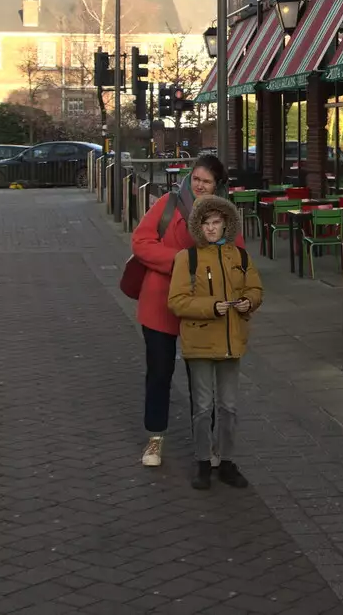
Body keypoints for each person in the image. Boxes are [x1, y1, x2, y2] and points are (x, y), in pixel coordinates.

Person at [128, 153, 243, 468]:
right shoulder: (168, 203)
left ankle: (207, 446)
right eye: (196, 179)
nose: (200, 186)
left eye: (207, 181)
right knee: (159, 373)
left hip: (203, 309)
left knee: (202, 380)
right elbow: (140, 241)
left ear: (218, 184)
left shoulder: (224, 213)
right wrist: (181, 261)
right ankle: (155, 438)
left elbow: (239, 256)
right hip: (160, 304)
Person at [168, 193, 260, 490]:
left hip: (231, 341)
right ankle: (203, 461)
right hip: (199, 343)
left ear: (226, 225)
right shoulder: (187, 258)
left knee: (229, 406)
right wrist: (211, 306)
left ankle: (228, 460)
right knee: (203, 407)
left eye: (216, 222)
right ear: (198, 226)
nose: (211, 228)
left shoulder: (241, 257)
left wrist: (248, 301)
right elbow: (177, 301)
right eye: (206, 223)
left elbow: (256, 288)